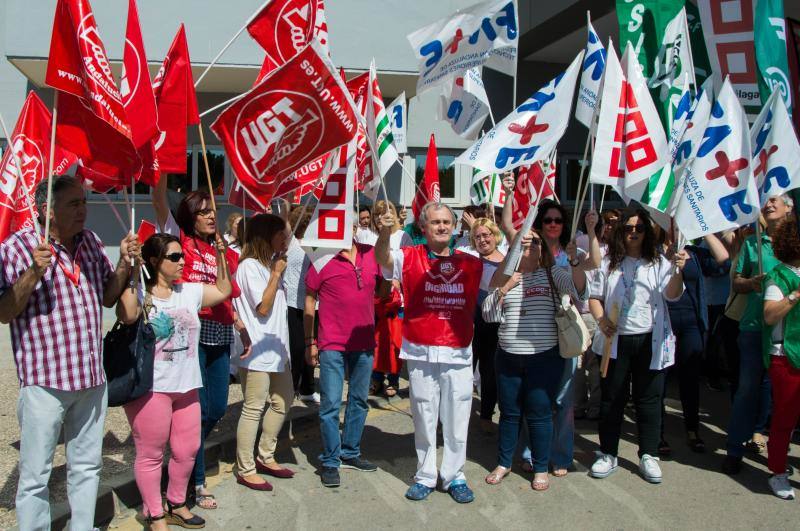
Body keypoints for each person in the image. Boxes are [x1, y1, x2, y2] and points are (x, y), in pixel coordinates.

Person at [0, 176, 139, 530]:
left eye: (84, 202)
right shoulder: (18, 248)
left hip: (91, 378)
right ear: (48, 210)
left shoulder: (90, 242)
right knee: (35, 475)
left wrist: (123, 263)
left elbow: (108, 296)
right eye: (73, 204)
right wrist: (34, 272)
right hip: (45, 382)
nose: (83, 210)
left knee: (87, 466)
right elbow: (4, 312)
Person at [116, 233, 231, 529]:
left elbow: (223, 289)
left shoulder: (189, 291)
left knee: (187, 450)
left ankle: (176, 503)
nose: (182, 262)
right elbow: (126, 313)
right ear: (155, 262)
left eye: (183, 256)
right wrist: (130, 268)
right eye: (174, 257)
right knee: (151, 454)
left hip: (187, 386)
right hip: (152, 389)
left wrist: (220, 255)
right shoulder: (142, 293)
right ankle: (154, 513)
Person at [376, 202, 483, 504]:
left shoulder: (471, 261)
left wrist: (517, 239)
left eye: (447, 222)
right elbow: (382, 258)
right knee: (424, 415)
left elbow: (501, 274)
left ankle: (454, 476)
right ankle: (425, 474)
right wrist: (385, 231)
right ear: (423, 227)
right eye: (435, 222)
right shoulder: (408, 256)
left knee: (457, 416)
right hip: (421, 349)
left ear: (454, 226)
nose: (442, 226)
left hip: (458, 352)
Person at [153, 177, 246, 509]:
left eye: (213, 211)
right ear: (189, 216)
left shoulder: (221, 249)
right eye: (203, 212)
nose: (211, 216)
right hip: (193, 336)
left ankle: (181, 456)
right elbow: (159, 202)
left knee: (217, 408)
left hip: (220, 335)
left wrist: (238, 323)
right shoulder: (180, 242)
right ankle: (196, 479)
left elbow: (227, 292)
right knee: (199, 410)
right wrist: (160, 168)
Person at [482, 226, 588, 491]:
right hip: (507, 357)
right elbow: (488, 314)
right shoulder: (506, 276)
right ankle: (504, 463)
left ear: (543, 248)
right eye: (523, 241)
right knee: (509, 413)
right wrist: (506, 287)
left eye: (535, 241)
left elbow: (579, 290)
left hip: (544, 358)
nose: (529, 246)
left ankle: (541, 467)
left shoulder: (554, 274)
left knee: (540, 414)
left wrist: (574, 261)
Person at [588, 209, 687, 484]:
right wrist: (601, 319)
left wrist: (679, 269)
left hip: (649, 341)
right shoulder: (608, 262)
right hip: (615, 341)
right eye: (629, 227)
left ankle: (649, 455)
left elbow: (673, 294)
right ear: (621, 230)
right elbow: (594, 296)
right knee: (612, 400)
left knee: (649, 400)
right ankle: (608, 453)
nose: (634, 232)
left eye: (640, 227)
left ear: (648, 232)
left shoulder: (659, 264)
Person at [304, 227, 385, 488]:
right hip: (332, 344)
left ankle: (350, 452)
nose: (346, 228)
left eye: (351, 223)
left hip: (363, 343)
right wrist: (310, 342)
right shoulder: (322, 258)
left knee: (359, 400)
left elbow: (382, 291)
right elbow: (309, 301)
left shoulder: (372, 254)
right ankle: (330, 460)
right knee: (330, 404)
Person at [723, 195, 793, 474]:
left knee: (786, 396)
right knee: (747, 390)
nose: (768, 204)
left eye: (775, 200)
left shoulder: (795, 244)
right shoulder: (753, 242)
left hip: (789, 331)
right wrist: (750, 283)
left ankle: (777, 451)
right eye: (766, 201)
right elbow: (736, 281)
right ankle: (734, 449)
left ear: (790, 208)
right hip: (753, 328)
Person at [233, 214, 296, 491]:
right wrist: (275, 274)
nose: (286, 239)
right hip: (257, 351)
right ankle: (245, 467)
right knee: (254, 407)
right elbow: (263, 307)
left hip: (277, 350)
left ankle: (265, 454)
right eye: (281, 234)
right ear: (265, 236)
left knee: (284, 400)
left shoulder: (268, 265)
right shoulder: (249, 266)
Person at [659, 233, 729, 455]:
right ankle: (657, 432)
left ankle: (692, 429)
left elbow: (723, 261)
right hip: (663, 322)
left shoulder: (695, 252)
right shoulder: (654, 250)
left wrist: (705, 229)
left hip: (691, 322)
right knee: (659, 378)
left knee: (690, 379)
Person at [761, 218, 800, 500]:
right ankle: (777, 472)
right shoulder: (779, 275)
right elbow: (770, 315)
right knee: (785, 419)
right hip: (786, 357)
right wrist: (796, 294)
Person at [364, 201, 412, 396]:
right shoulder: (368, 236)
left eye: (387, 212)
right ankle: (376, 378)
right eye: (378, 213)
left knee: (393, 340)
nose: (382, 216)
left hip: (395, 299)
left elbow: (408, 265)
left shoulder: (403, 236)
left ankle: (393, 379)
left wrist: (399, 282)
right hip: (373, 297)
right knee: (374, 341)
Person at [468, 218, 505, 433]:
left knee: (490, 371)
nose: (482, 239)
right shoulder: (470, 262)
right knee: (465, 372)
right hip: (471, 324)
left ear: (495, 235)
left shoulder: (508, 262)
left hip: (495, 325)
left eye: (486, 234)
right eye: (477, 236)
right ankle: (454, 417)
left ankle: (486, 415)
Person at [286, 206, 318, 404]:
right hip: (292, 303)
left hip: (315, 304)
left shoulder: (316, 244)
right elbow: (284, 223)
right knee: (296, 349)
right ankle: (290, 388)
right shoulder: (291, 243)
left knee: (312, 347)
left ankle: (307, 388)